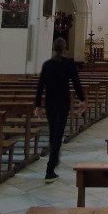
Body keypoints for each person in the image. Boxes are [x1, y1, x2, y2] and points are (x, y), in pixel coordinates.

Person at [35, 37, 86, 182]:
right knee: (58, 133)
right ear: (64, 48)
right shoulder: (68, 64)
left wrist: (38, 105)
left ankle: (54, 159)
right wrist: (82, 100)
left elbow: (40, 86)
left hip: (50, 102)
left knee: (54, 132)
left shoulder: (47, 64)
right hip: (63, 102)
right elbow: (76, 83)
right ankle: (50, 169)